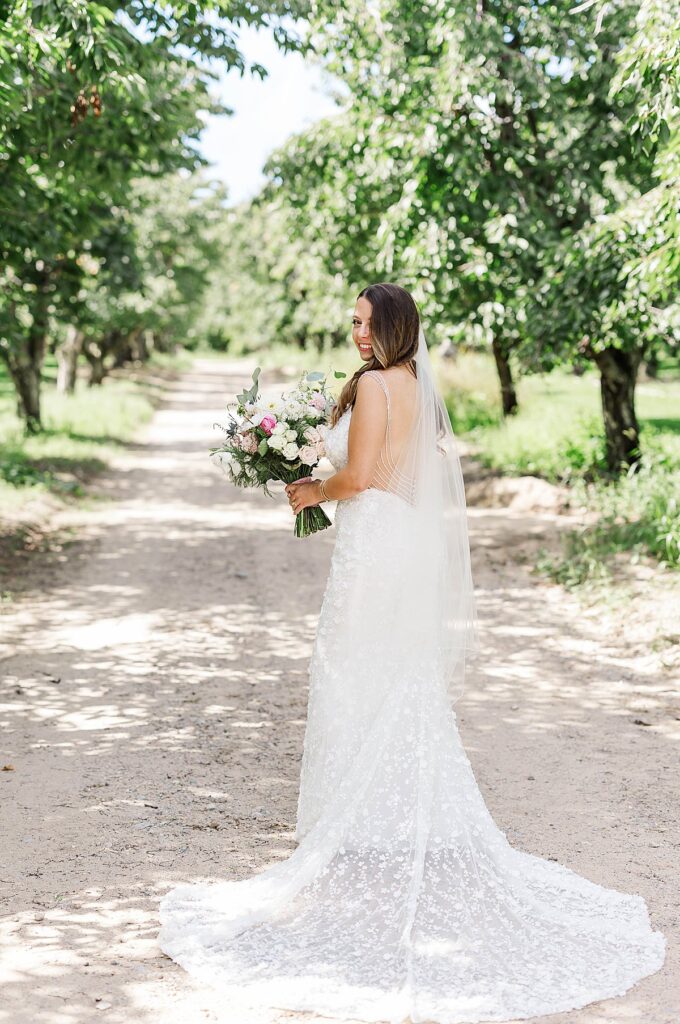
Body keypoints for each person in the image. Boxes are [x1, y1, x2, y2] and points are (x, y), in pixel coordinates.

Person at [159, 283, 665, 1023]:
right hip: (400, 542)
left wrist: (308, 493)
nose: (358, 334)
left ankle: (352, 824)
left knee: (347, 672)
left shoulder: (369, 387)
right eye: (355, 324)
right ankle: (386, 821)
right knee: (396, 676)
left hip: (372, 547)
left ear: (394, 327)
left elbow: (359, 478)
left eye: (367, 323)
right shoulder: (419, 389)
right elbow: (407, 476)